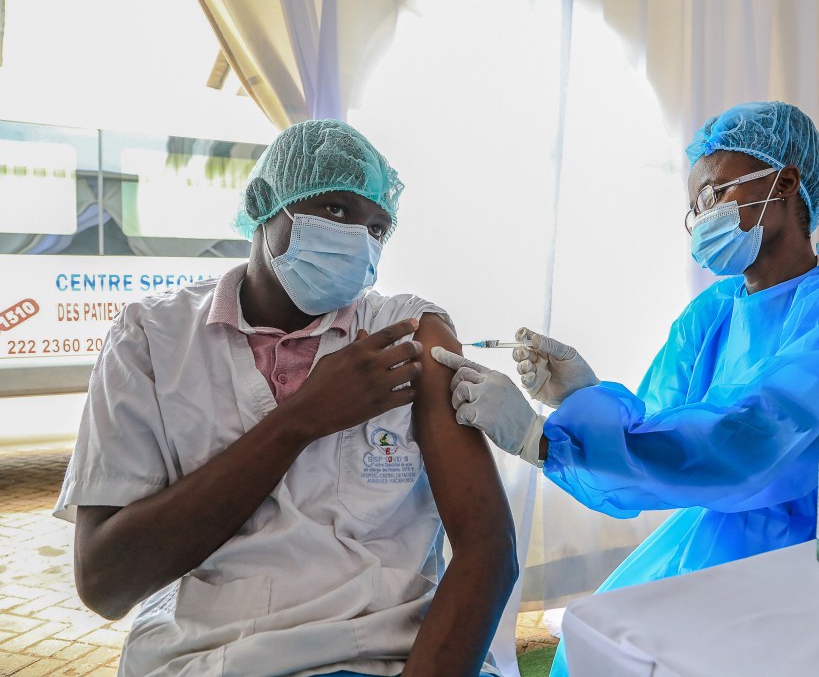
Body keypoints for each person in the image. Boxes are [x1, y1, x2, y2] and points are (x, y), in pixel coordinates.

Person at [431, 101, 819, 675]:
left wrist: (541, 440)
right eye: (693, 206)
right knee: (591, 641)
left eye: (716, 192)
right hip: (713, 531)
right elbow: (658, 427)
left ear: (786, 182)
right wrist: (581, 396)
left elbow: (743, 441)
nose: (701, 217)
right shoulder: (712, 312)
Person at [54, 119, 517, 677]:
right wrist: (302, 419)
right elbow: (106, 582)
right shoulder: (151, 338)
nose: (359, 240)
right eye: (338, 211)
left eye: (378, 227)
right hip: (203, 659)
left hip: (388, 655)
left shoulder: (409, 332)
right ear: (264, 202)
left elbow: (488, 547)